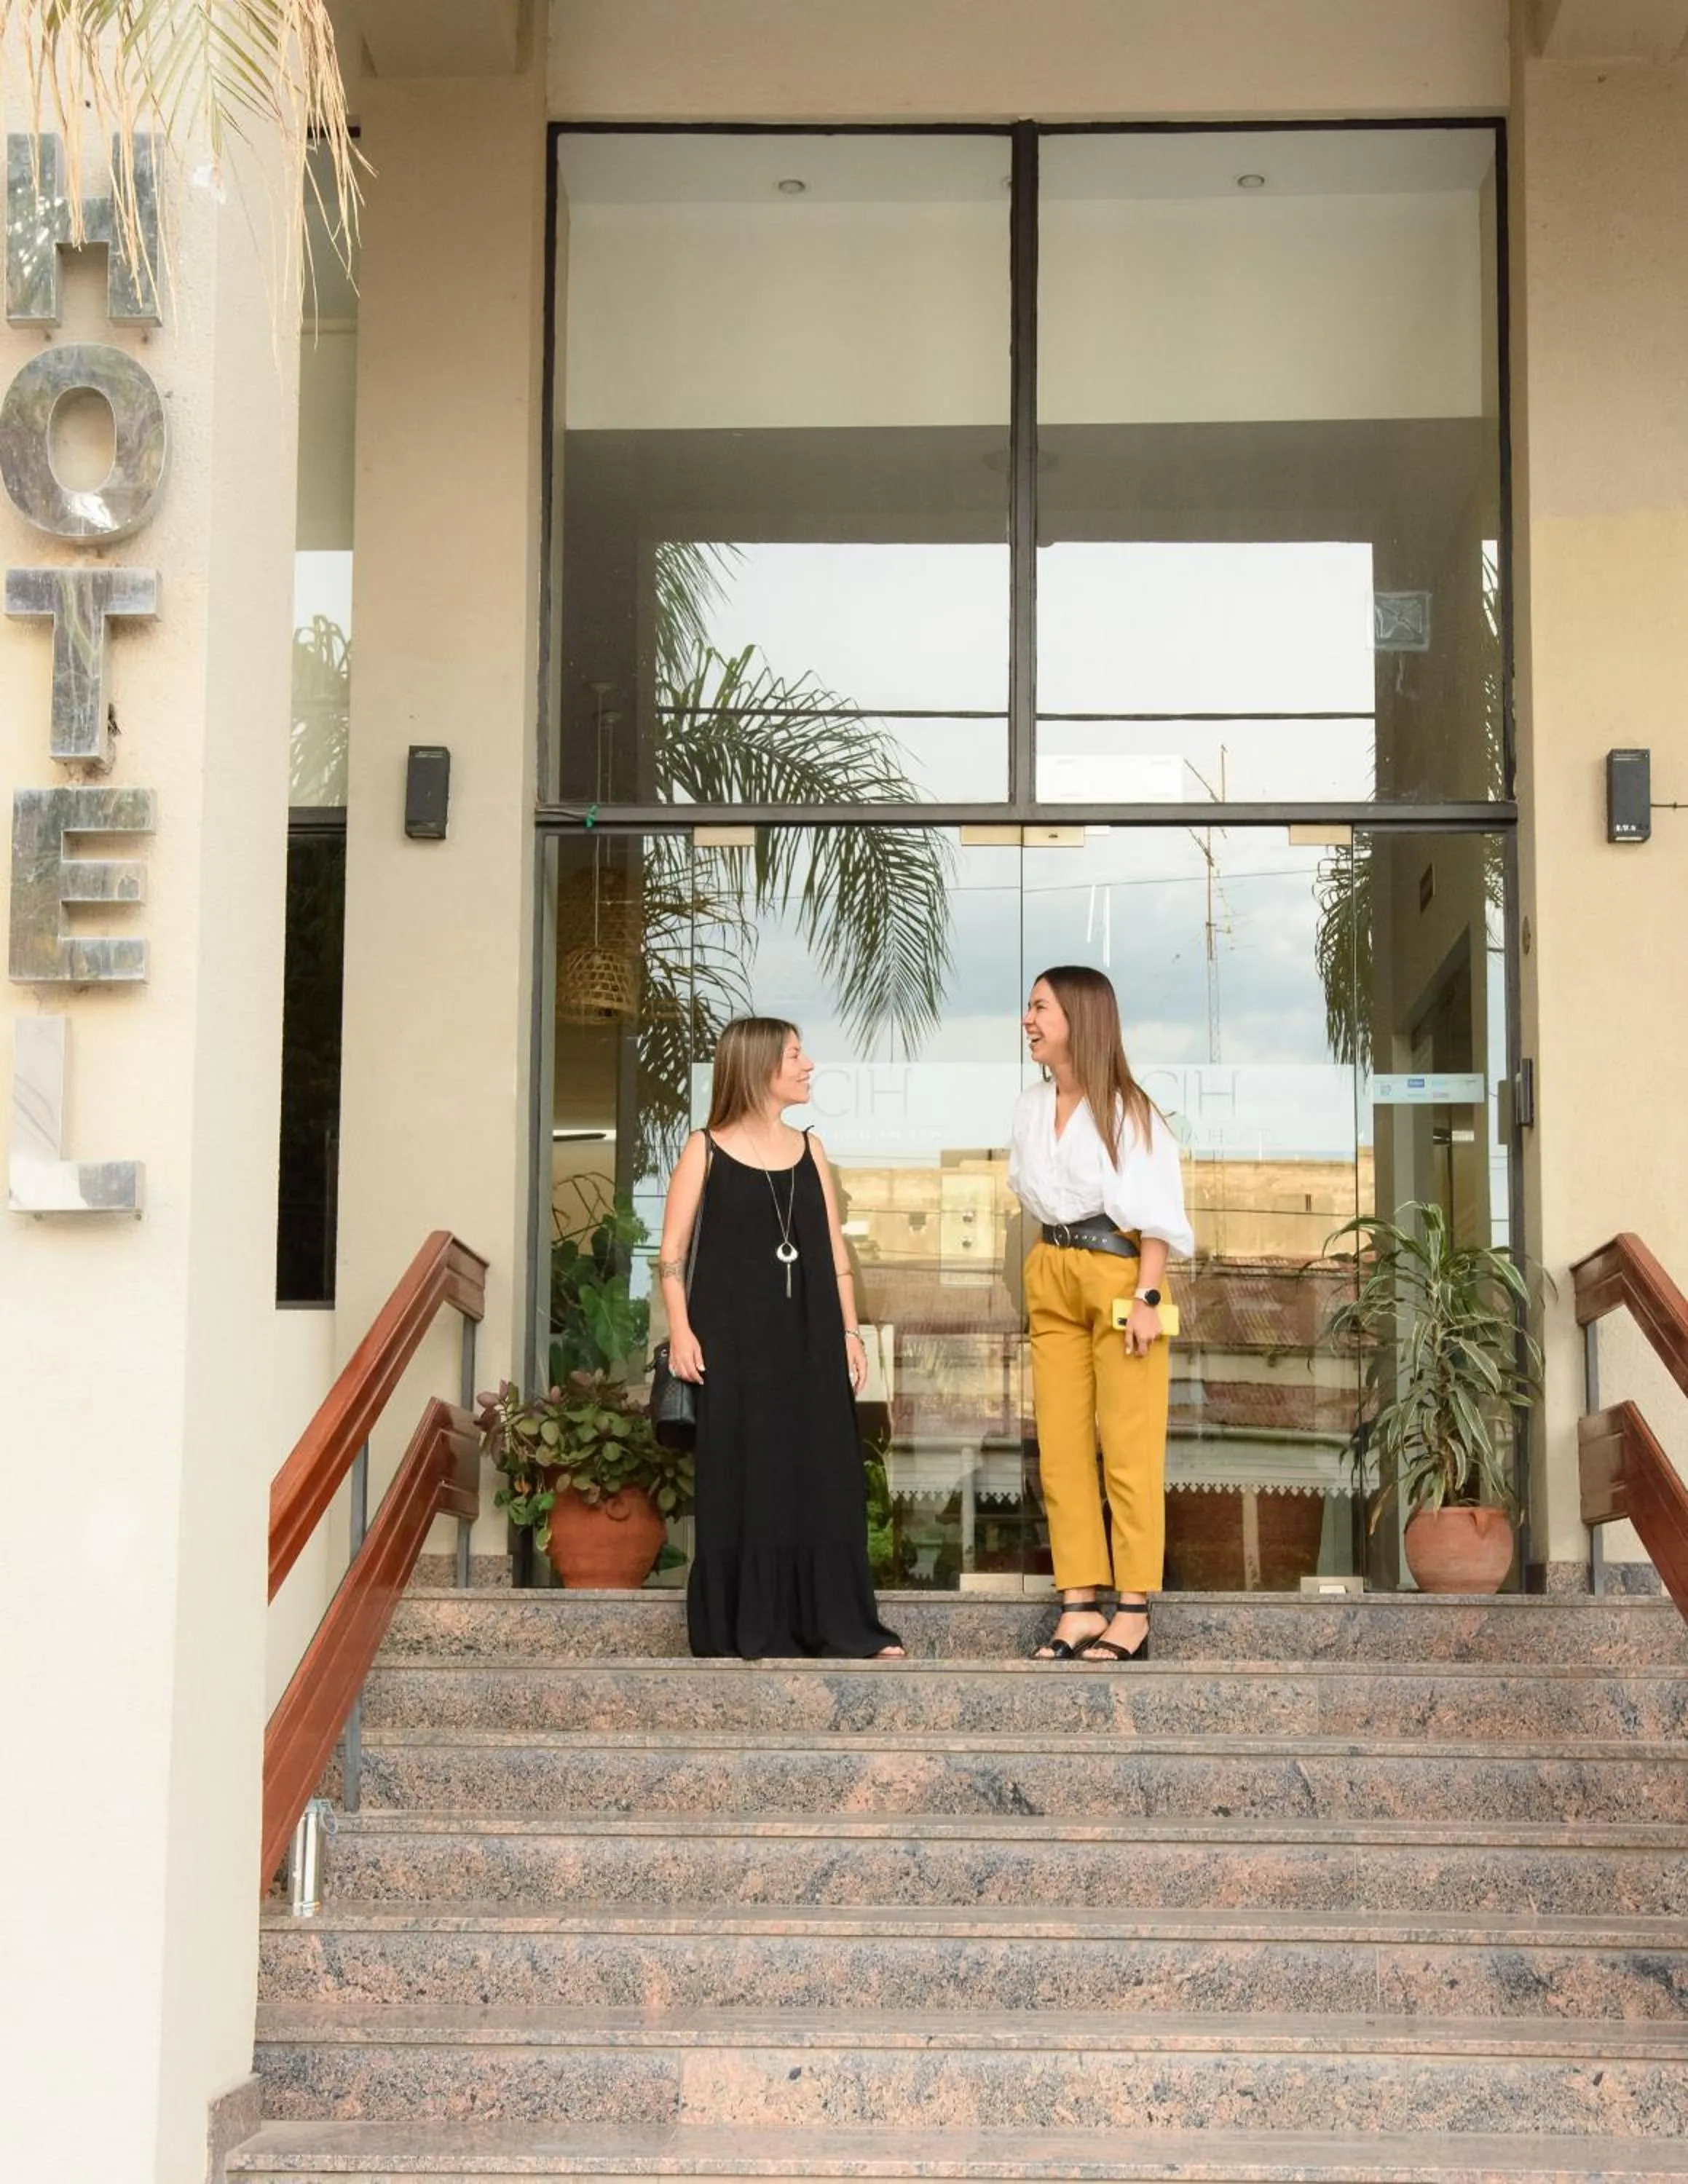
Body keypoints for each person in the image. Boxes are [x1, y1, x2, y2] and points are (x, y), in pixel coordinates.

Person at [658, 1016, 904, 1660]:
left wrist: (850, 1331)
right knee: (747, 1477)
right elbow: (671, 1256)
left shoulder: (812, 1149)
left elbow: (835, 1253)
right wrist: (680, 1330)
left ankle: (840, 1625)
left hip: (811, 1340)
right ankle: (750, 1625)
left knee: (824, 1474)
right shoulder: (704, 1149)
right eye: (795, 1055)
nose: (808, 1065)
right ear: (759, 1065)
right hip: (733, 1347)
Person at [1009, 966, 1194, 1663]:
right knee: (1059, 1449)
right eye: (1029, 1008)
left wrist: (1148, 1297)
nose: (1028, 1020)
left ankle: (1134, 1608)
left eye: (1040, 1008)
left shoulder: (1128, 1109)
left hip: (1119, 1271)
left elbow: (1158, 1219)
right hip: (1051, 1268)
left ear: (1079, 1019)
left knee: (1128, 1446)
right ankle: (1080, 1603)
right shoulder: (1032, 1106)